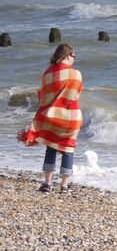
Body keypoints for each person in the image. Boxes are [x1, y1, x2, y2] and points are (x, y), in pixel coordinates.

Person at [18, 43, 84, 193]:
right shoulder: (76, 74)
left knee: (51, 147)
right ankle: (64, 187)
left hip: (51, 116)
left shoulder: (47, 73)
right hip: (70, 117)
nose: (74, 59)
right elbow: (76, 94)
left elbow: (42, 95)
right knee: (68, 149)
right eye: (74, 56)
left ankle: (47, 184)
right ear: (68, 56)